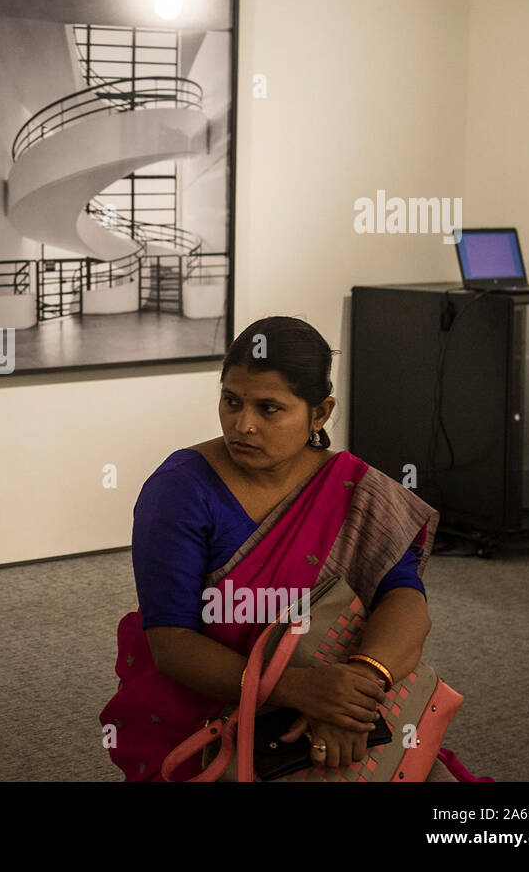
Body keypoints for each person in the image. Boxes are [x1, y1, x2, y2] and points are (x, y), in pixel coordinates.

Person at [100, 316, 478, 782]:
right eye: (231, 401)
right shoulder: (180, 490)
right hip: (214, 712)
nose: (244, 425)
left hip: (342, 699)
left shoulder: (355, 490)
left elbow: (403, 597)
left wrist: (358, 689)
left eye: (269, 409)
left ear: (319, 414)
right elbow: (172, 645)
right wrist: (299, 689)